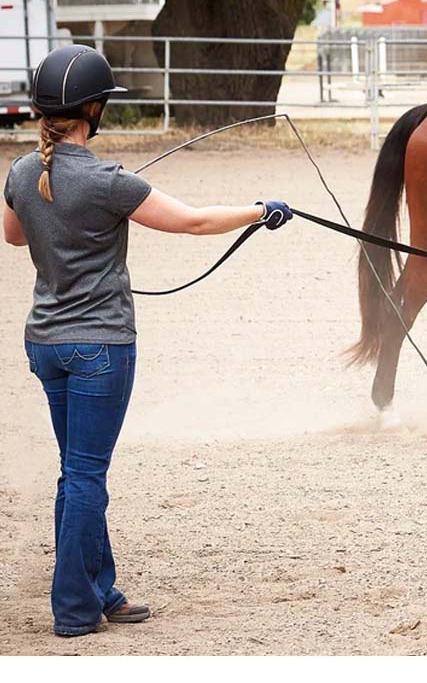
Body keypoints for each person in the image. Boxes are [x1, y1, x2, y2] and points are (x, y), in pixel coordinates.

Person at [2, 44, 292, 638]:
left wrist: (66, 219)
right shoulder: (107, 181)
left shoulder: (23, 172)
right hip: (99, 346)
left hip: (46, 344)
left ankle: (98, 589)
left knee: (76, 472)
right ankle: (74, 608)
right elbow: (191, 221)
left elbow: (14, 235)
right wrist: (259, 210)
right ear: (94, 109)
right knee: (86, 476)